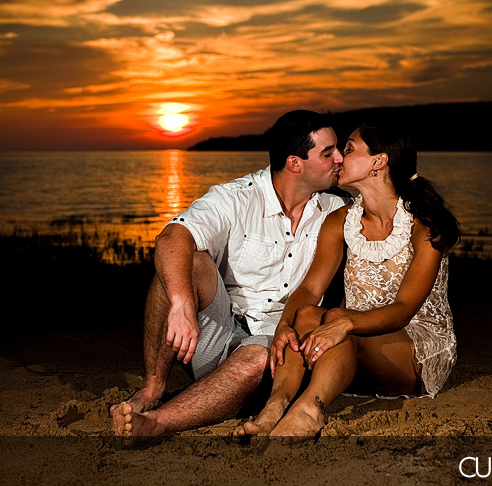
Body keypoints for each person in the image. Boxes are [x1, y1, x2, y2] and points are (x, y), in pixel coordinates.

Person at [111, 110, 351, 445]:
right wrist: (181, 303)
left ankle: (157, 422)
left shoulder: (338, 209)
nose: (340, 158)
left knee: (255, 355)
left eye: (338, 149)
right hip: (217, 334)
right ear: (295, 163)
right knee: (187, 260)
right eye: (329, 153)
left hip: (280, 353)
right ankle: (153, 386)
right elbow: (170, 238)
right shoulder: (236, 197)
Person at [233, 123, 459, 443]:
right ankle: (276, 405)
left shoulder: (423, 224)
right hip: (350, 340)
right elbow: (310, 290)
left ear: (378, 162)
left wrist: (346, 322)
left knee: (337, 318)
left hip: (413, 349)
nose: (338, 157)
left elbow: (405, 308)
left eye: (349, 149)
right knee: (309, 314)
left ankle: (310, 409)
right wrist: (285, 324)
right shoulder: (340, 221)